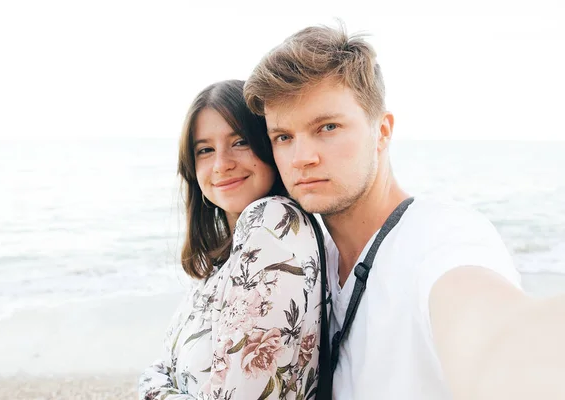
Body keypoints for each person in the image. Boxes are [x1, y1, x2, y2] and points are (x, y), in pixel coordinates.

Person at [244, 24, 565, 400]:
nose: (302, 158)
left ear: (381, 132)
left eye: (328, 127)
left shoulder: (440, 237)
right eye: (284, 137)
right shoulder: (313, 260)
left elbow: (496, 335)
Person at [138, 80, 326, 400]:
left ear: (266, 145)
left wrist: (153, 388)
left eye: (239, 142)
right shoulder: (230, 254)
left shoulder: (270, 223)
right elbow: (163, 366)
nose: (221, 164)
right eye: (205, 150)